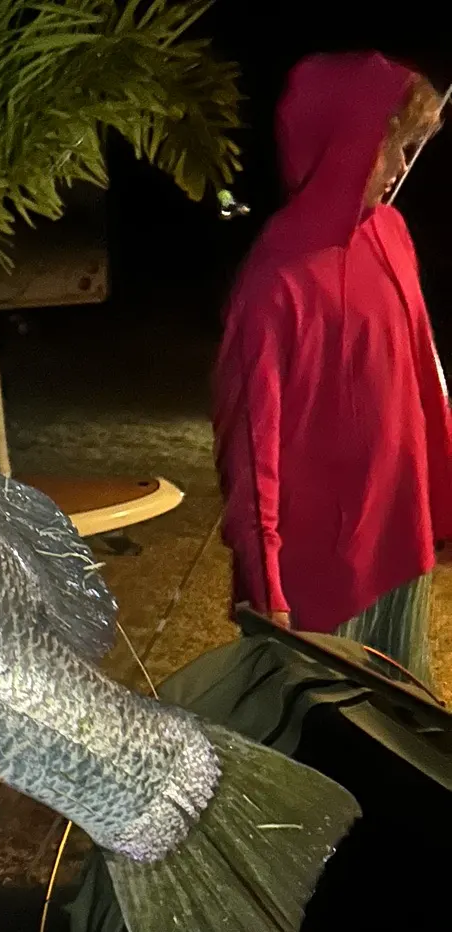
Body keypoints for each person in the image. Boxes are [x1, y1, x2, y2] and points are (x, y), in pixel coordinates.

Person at [213, 52, 452, 692]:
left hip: (402, 547)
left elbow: (422, 383)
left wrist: (442, 500)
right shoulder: (275, 282)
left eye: (407, 147)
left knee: (404, 714)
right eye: (390, 146)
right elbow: (249, 449)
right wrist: (268, 589)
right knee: (322, 728)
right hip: (320, 584)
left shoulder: (392, 233)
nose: (400, 165)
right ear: (345, 144)